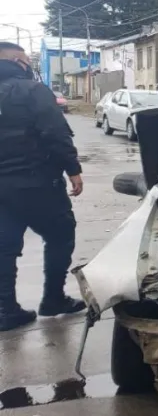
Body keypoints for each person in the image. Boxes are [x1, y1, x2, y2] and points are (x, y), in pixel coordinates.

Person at [0, 42, 85, 331]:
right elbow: (55, 132)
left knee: (4, 247)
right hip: (36, 182)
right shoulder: (32, 90)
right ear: (16, 61)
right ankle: (53, 299)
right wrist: (73, 169)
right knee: (61, 233)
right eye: (25, 60)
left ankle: (6, 310)